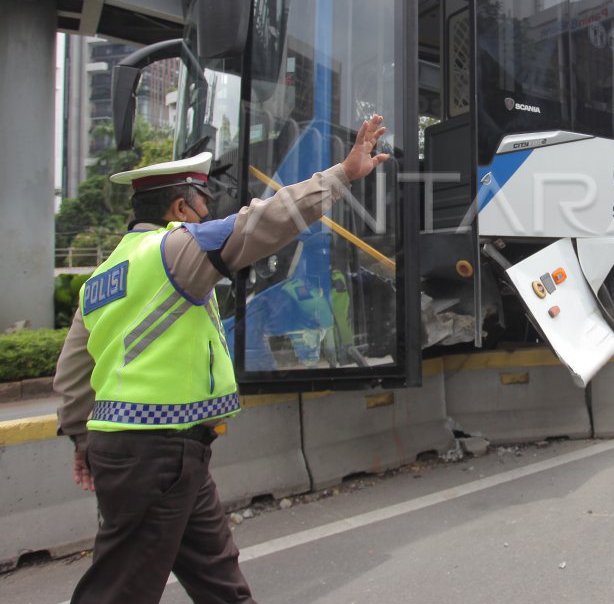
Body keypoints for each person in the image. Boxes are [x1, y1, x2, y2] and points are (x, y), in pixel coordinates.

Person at [53, 115, 390, 604]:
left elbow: (73, 373)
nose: (208, 210)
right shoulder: (177, 248)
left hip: (159, 454)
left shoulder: (103, 276)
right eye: (203, 201)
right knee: (119, 590)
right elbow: (264, 221)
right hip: (157, 453)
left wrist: (82, 440)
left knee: (219, 581)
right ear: (179, 206)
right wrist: (341, 176)